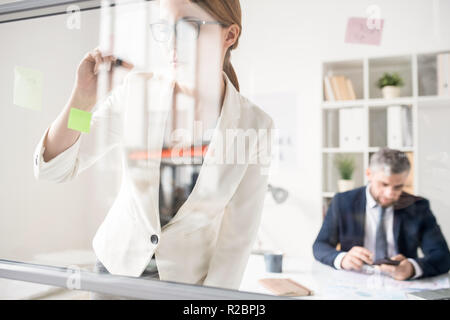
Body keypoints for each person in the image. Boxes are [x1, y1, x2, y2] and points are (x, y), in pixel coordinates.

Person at [33, 0, 274, 298]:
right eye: (164, 29)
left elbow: (238, 239)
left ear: (230, 35)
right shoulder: (137, 91)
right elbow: (56, 166)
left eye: (187, 28)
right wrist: (82, 101)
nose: (172, 43)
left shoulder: (256, 126)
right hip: (115, 271)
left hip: (184, 286)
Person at [313, 148, 450, 280]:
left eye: (398, 187)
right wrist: (342, 258)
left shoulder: (418, 207)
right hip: (355, 280)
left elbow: (442, 256)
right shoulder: (342, 202)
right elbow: (320, 246)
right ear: (369, 174)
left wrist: (412, 268)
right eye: (384, 184)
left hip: (400, 284)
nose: (390, 193)